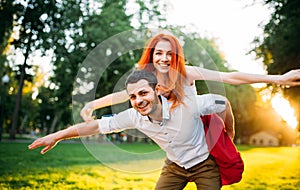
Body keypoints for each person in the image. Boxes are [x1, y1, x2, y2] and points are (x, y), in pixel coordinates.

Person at [29, 70, 234, 190]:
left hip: (205, 165)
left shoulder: (185, 105)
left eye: (143, 93)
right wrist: (56, 136)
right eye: (133, 96)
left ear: (157, 91)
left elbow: (222, 103)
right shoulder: (134, 116)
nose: (138, 100)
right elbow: (94, 127)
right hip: (174, 167)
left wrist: (229, 134)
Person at [80, 33, 300, 122]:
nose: (164, 58)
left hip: (199, 126)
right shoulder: (147, 79)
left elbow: (230, 77)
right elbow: (121, 95)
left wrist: (278, 79)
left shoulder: (187, 73)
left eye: (169, 53)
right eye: (159, 53)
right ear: (151, 55)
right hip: (176, 135)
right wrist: (92, 104)